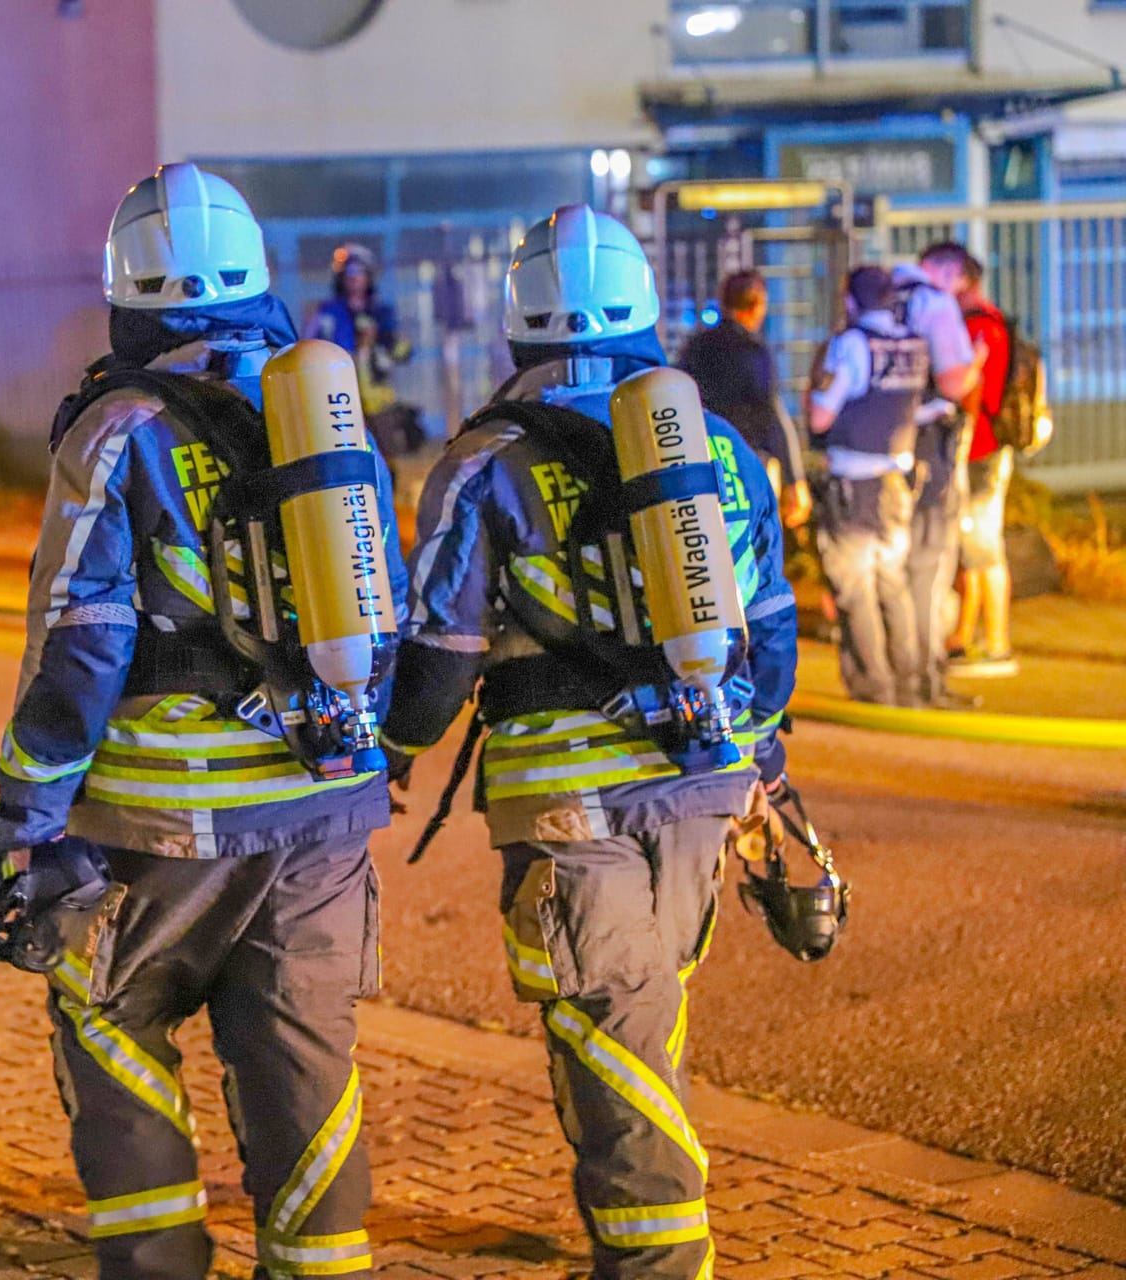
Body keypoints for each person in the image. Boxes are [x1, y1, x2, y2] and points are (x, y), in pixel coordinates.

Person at [0, 164, 407, 1280]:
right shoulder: (322, 413)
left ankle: (160, 1260)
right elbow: (385, 605)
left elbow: (82, 643)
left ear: (128, 295)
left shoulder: (118, 429)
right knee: (303, 1061)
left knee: (115, 1026)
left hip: (156, 827)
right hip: (320, 812)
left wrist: (22, 819)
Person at [381, 205, 799, 1280]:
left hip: (569, 802)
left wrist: (388, 750)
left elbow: (437, 659)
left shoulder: (486, 461)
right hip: (703, 780)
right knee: (643, 1015)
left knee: (609, 1031)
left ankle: (659, 1260)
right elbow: (773, 625)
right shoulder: (718, 446)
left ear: (518, 322)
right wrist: (757, 756)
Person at [807, 265, 938, 706]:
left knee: (856, 589)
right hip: (897, 482)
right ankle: (911, 684)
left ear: (850, 300)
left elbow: (821, 416)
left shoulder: (851, 345)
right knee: (892, 583)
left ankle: (874, 687)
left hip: (854, 484)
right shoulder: (914, 345)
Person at [899, 244, 984, 708]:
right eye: (963, 284)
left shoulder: (883, 294)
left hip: (885, 450)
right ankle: (926, 679)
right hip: (931, 444)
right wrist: (977, 364)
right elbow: (953, 381)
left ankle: (895, 674)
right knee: (931, 567)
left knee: (899, 567)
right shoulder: (934, 301)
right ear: (948, 271)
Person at [677, 268, 811, 530]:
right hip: (750, 464)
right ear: (757, 305)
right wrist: (794, 478)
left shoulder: (696, 347)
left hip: (702, 461)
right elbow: (771, 414)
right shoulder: (754, 351)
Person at [945, 252, 1018, 674]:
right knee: (972, 548)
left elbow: (970, 394)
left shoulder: (979, 326)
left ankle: (997, 645)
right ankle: (965, 637)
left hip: (981, 453)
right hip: (985, 452)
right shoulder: (989, 321)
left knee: (984, 549)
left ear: (963, 280)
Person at [307, 243, 422, 457]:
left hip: (379, 402)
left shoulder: (381, 312)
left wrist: (380, 338)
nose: (354, 278)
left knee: (386, 460)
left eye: (359, 273)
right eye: (349, 273)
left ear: (369, 276)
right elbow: (310, 350)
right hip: (338, 402)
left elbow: (404, 352)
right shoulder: (328, 314)